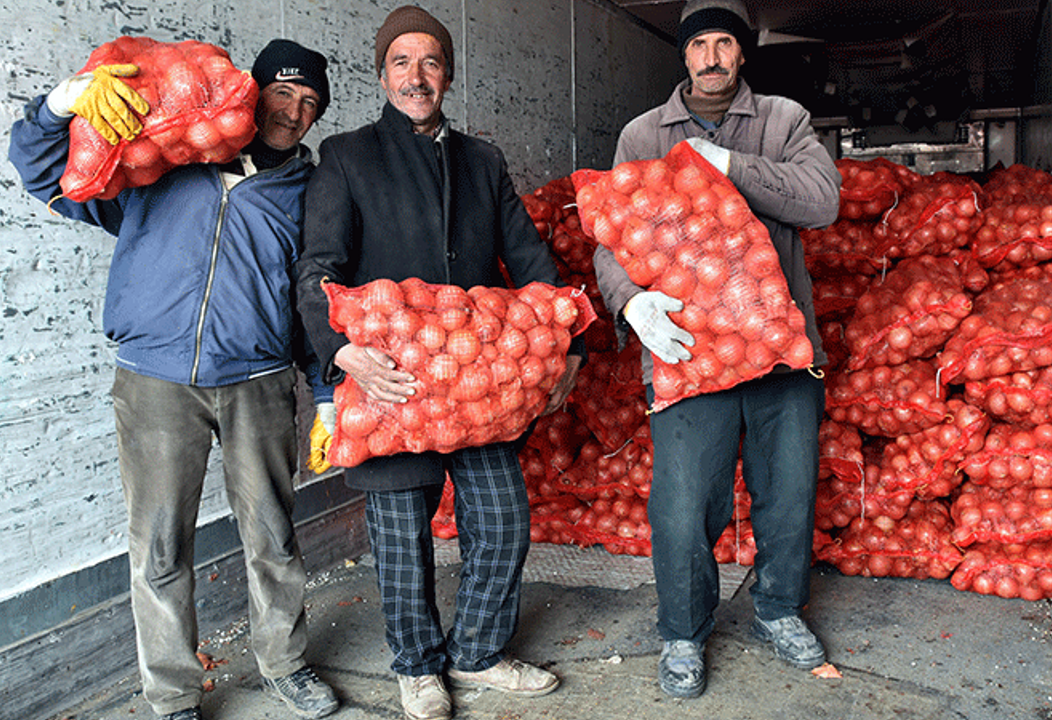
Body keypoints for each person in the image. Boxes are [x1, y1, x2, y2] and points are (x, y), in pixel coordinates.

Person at [8, 39, 340, 720]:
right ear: (253, 91)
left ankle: (285, 663)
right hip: (155, 382)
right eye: (284, 93)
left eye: (309, 103)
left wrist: (330, 398)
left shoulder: (309, 192)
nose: (294, 111)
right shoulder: (164, 162)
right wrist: (61, 103)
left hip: (261, 381)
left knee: (273, 537)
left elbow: (315, 302)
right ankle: (172, 693)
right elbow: (48, 175)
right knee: (159, 545)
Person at [295, 6, 580, 720]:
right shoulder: (348, 156)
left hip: (477, 380)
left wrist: (564, 342)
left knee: (504, 521)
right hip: (391, 381)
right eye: (401, 63)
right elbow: (316, 271)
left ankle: (478, 652)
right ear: (383, 74)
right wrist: (342, 353)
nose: (416, 77)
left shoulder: (481, 160)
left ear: (447, 74)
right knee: (401, 537)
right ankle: (418, 667)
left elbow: (528, 256)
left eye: (429, 63)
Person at [591, 0, 842, 699]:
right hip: (686, 351)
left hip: (777, 347)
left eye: (724, 44)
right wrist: (629, 301)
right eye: (699, 44)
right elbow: (610, 234)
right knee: (683, 502)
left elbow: (822, 201)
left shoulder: (783, 121)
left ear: (741, 53)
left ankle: (779, 611)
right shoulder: (643, 134)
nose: (711, 57)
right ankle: (683, 631)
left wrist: (730, 163)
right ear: (683, 55)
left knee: (787, 492)